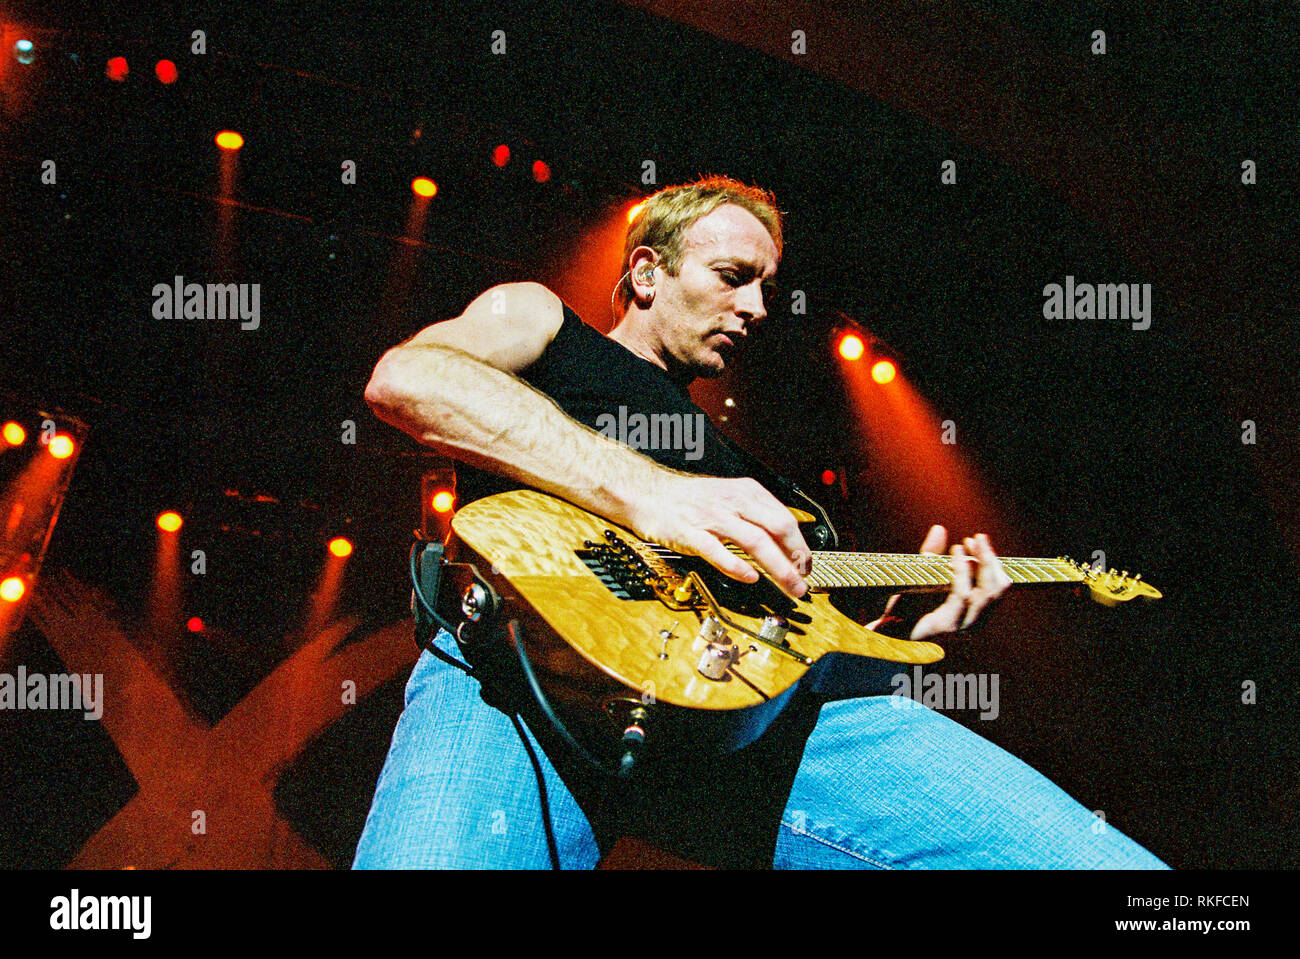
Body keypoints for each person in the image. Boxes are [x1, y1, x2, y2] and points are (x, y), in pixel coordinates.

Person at [353, 175, 1165, 869]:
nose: (758, 306)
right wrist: (652, 495)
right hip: (521, 682)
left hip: (741, 726)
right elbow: (409, 378)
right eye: (733, 275)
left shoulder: (775, 492)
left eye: (768, 287)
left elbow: (800, 643)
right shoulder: (545, 326)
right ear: (646, 271)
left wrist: (898, 627)